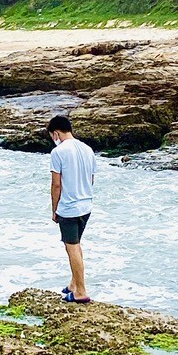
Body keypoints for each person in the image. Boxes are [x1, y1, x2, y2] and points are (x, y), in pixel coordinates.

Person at [47, 113, 98, 303]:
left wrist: (54, 209)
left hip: (69, 207)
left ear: (56, 134)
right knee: (75, 245)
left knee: (72, 247)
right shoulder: (87, 149)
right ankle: (73, 284)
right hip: (86, 205)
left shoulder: (58, 152)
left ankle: (81, 292)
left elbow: (56, 185)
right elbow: (91, 179)